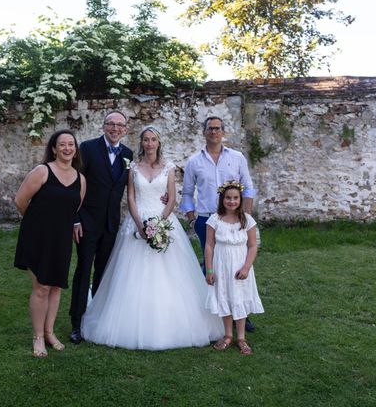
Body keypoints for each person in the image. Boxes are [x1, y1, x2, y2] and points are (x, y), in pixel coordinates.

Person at [81, 126, 224, 350]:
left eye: (153, 139)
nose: (149, 143)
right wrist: (140, 225)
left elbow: (171, 199)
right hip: (136, 222)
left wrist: (159, 223)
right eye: (146, 140)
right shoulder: (133, 167)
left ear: (159, 142)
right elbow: (130, 197)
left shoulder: (168, 167)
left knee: (173, 276)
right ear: (142, 143)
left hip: (163, 221)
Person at [180, 115, 259, 333]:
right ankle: (214, 314)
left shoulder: (237, 157)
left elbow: (248, 187)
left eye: (217, 128)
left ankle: (241, 314)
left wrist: (246, 217)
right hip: (206, 219)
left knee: (239, 264)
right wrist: (192, 220)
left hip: (235, 219)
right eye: (209, 129)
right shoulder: (194, 161)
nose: (213, 132)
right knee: (211, 265)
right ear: (204, 132)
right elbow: (187, 193)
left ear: (223, 132)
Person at [14, 129, 86, 357]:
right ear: (54, 149)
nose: (67, 148)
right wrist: (38, 223)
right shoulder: (42, 171)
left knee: (56, 286)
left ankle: (49, 332)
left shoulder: (81, 179)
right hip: (37, 236)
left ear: (75, 150)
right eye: (62, 144)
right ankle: (37, 337)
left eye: (71, 145)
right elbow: (20, 200)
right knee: (41, 287)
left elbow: (74, 208)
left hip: (61, 238)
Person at [68, 111, 134, 344]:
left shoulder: (128, 154)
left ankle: (96, 318)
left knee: (104, 272)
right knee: (84, 270)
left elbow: (133, 186)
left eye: (120, 125)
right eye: (111, 124)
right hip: (86, 222)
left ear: (125, 129)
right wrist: (75, 218)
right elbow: (76, 184)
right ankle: (76, 322)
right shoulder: (87, 148)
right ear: (103, 126)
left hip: (111, 224)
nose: (115, 128)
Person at [205, 181, 264, 355]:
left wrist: (246, 268)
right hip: (221, 264)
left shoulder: (247, 220)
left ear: (240, 199)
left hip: (240, 265)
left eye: (235, 198)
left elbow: (253, 246)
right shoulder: (214, 219)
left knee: (239, 297)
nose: (232, 201)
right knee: (225, 296)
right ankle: (228, 335)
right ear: (222, 199)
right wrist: (209, 270)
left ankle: (241, 338)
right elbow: (209, 245)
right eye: (228, 198)